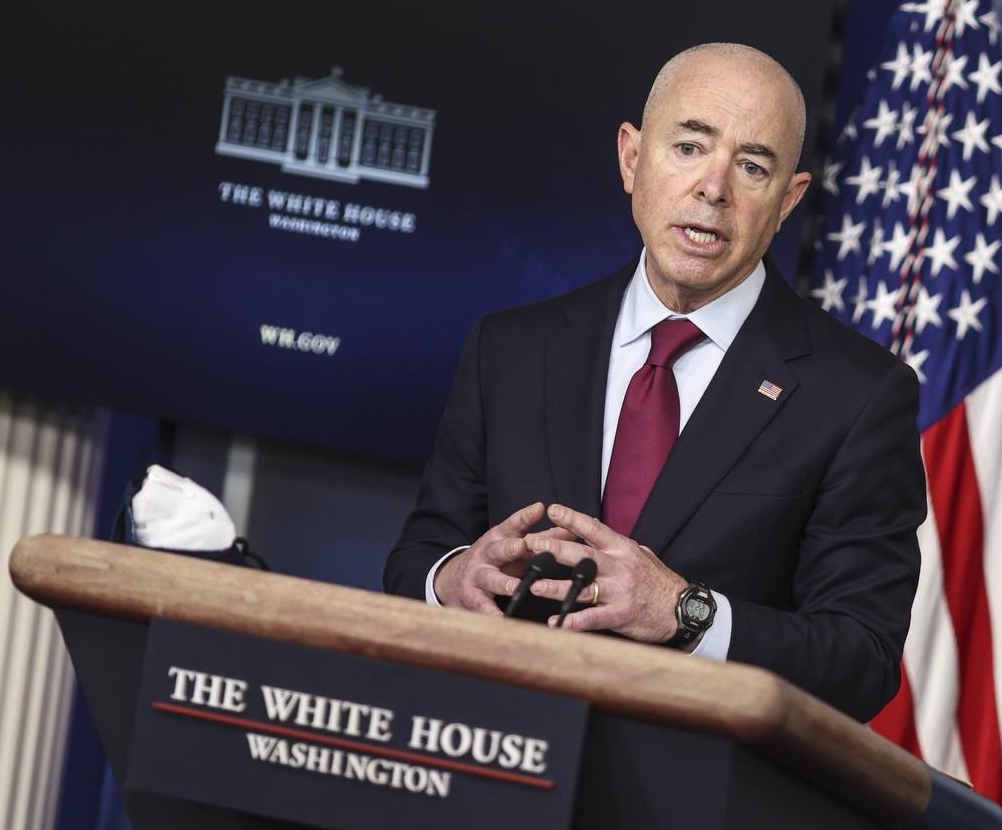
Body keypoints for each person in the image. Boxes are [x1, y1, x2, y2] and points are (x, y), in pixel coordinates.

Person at [383, 43, 924, 721]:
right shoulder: (512, 348)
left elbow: (862, 657)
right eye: (690, 147)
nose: (714, 188)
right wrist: (455, 577)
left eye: (752, 165)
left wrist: (684, 611)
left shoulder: (859, 395)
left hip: (691, 803)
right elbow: (417, 560)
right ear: (632, 158)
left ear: (788, 201)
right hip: (498, 761)